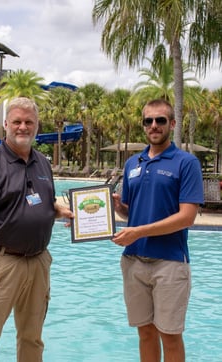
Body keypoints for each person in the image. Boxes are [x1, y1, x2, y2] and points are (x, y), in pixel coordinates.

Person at [0, 97, 73, 362]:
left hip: (37, 263)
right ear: (6, 125)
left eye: (28, 122)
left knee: (32, 339)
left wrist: (59, 210)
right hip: (0, 265)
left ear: (36, 126)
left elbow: (43, 201)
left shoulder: (43, 163)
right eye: (17, 122)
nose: (22, 127)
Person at [112, 99, 204, 362]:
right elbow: (131, 213)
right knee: (145, 333)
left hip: (170, 262)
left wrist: (138, 232)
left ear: (172, 124)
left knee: (170, 336)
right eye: (148, 121)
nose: (154, 125)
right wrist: (119, 208)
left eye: (160, 120)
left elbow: (187, 217)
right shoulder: (133, 163)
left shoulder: (186, 163)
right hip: (134, 261)